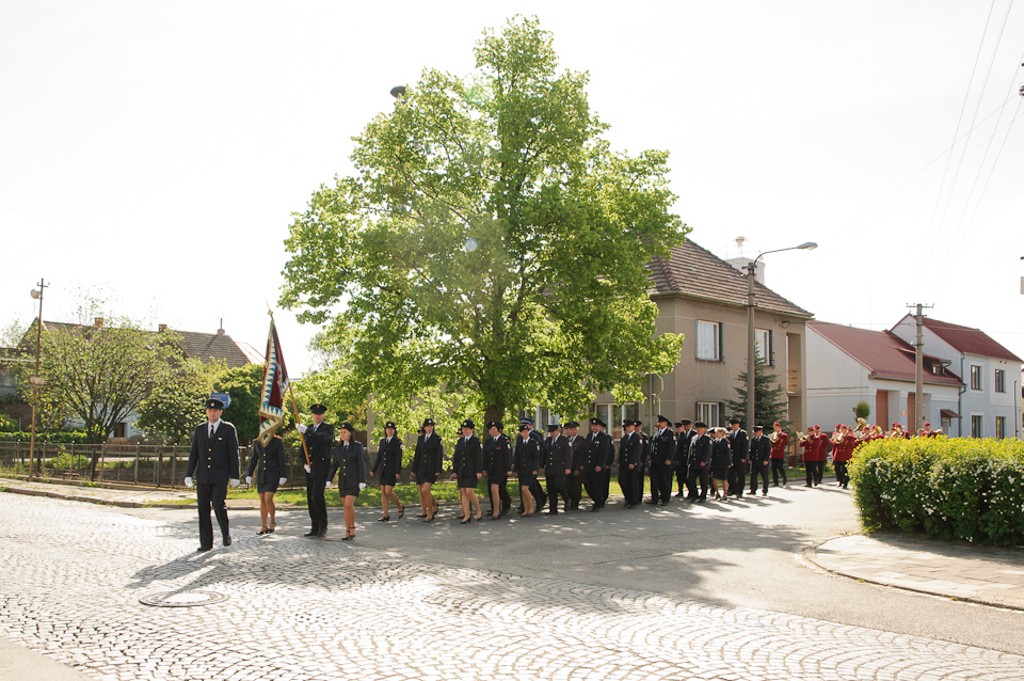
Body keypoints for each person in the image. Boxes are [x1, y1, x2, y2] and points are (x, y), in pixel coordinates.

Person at [185, 398, 240, 552]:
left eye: (215, 410)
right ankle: (206, 542)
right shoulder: (200, 429)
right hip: (203, 476)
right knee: (203, 509)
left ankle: (225, 533)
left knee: (218, 504)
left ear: (220, 412)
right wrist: (189, 474)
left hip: (220, 475)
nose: (212, 412)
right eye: (210, 410)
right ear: (206, 412)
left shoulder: (228, 429)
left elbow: (233, 453)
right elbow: (194, 453)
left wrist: (235, 475)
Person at [326, 422, 367, 541]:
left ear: (350, 433)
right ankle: (347, 529)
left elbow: (361, 463)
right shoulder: (338, 447)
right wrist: (329, 478)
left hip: (353, 480)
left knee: (349, 504)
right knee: (346, 506)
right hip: (343, 481)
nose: (342, 434)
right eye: (340, 432)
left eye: (344, 432)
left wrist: (362, 480)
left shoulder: (357, 446)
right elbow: (334, 465)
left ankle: (352, 528)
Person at [298, 404, 333, 537]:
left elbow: (323, 439)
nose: (317, 416)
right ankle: (314, 526)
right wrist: (304, 463)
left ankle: (322, 524)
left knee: (317, 495)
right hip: (310, 469)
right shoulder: (310, 429)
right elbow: (303, 450)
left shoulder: (327, 428)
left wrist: (307, 430)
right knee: (310, 498)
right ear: (312, 415)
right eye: (315, 414)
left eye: (319, 414)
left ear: (323, 415)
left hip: (321, 467)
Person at [245, 433, 286, 535]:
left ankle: (272, 521)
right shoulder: (257, 442)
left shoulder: (277, 442)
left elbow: (281, 459)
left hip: (273, 474)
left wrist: (283, 475)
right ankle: (264, 526)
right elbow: (254, 459)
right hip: (261, 475)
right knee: (262, 499)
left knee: (268, 499)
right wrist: (249, 474)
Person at [370, 421, 404, 522]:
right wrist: (374, 469)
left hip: (392, 470)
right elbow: (379, 457)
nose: (389, 431)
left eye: (391, 429)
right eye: (388, 429)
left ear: (394, 430)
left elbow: (398, 458)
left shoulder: (397, 442)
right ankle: (385, 515)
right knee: (383, 492)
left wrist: (397, 471)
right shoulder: (382, 441)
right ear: (385, 430)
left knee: (388, 491)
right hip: (383, 470)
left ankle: (400, 506)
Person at [411, 418, 444, 522]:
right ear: (424, 428)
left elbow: (439, 455)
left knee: (425, 490)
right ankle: (427, 508)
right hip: (421, 468)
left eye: (431, 426)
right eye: (427, 426)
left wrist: (438, 469)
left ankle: (430, 514)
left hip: (431, 469)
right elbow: (417, 455)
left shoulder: (436, 439)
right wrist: (414, 469)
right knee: (421, 491)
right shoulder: (421, 439)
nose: (429, 428)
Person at [451, 419, 484, 523]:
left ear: (472, 430)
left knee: (469, 491)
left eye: (467, 429)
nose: (464, 431)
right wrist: (454, 471)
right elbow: (457, 458)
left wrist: (479, 470)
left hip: (472, 470)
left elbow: (479, 457)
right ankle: (467, 514)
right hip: (462, 470)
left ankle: (478, 510)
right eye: (463, 429)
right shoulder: (460, 442)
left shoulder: (476, 442)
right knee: (463, 492)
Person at [483, 421, 512, 519]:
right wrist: (484, 469)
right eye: (491, 429)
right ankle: (494, 508)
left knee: (494, 488)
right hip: (491, 470)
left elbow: (507, 456)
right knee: (492, 490)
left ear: (499, 430)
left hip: (501, 470)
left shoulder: (504, 441)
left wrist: (508, 469)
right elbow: (485, 456)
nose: (492, 431)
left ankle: (496, 511)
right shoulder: (488, 442)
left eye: (494, 429)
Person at [519, 417, 548, 512]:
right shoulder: (520, 436)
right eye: (522, 424)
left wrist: (540, 464)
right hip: (523, 465)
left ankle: (539, 499)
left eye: (526, 425)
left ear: (531, 426)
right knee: (524, 484)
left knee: (531, 484)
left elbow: (541, 450)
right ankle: (524, 504)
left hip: (533, 465)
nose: (524, 427)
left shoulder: (536, 436)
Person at [512, 424, 541, 516]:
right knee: (522, 490)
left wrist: (535, 468)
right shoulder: (519, 444)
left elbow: (536, 457)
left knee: (525, 488)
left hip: (530, 469)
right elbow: (516, 457)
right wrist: (515, 469)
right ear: (520, 433)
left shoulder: (533, 442)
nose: (525, 433)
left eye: (526, 431)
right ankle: (526, 508)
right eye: (523, 432)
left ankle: (531, 507)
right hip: (522, 469)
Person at [585, 417, 613, 511]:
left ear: (600, 427)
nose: (594, 427)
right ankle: (598, 499)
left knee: (598, 485)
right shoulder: (589, 436)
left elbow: (604, 452)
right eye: (593, 426)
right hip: (589, 465)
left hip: (598, 466)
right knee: (587, 484)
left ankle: (597, 504)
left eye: (596, 426)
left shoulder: (604, 437)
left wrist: (600, 465)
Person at [543, 424, 571, 515]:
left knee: (558, 485)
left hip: (560, 467)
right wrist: (542, 465)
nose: (552, 434)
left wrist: (568, 467)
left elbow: (568, 455)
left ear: (558, 431)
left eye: (553, 432)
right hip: (550, 468)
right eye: (550, 432)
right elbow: (545, 454)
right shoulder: (548, 440)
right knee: (551, 489)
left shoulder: (564, 440)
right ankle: (553, 509)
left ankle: (567, 499)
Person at [648, 415, 676, 506]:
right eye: (658, 422)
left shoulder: (670, 433)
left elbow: (672, 448)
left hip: (664, 461)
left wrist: (669, 459)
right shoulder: (657, 433)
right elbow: (653, 447)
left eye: (661, 422)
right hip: (655, 460)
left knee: (664, 480)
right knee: (654, 481)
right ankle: (654, 499)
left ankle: (665, 499)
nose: (659, 424)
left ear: (665, 423)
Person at [617, 419, 641, 508]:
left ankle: (633, 501)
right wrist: (619, 462)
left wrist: (633, 462)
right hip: (624, 464)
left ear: (632, 427)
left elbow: (637, 451)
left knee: (633, 483)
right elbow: (622, 451)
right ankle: (628, 498)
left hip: (632, 464)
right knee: (622, 480)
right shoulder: (625, 438)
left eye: (628, 426)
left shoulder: (637, 437)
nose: (627, 428)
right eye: (626, 427)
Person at [564, 421, 588, 510]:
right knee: (568, 485)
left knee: (576, 486)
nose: (572, 431)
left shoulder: (581, 441)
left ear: (577, 430)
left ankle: (575, 503)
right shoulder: (567, 440)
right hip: (568, 467)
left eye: (574, 429)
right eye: (570, 429)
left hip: (576, 467)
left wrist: (579, 468)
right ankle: (569, 501)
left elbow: (582, 455)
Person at [686, 422, 711, 503]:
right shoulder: (694, 438)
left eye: (700, 429)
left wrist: (704, 460)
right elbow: (691, 450)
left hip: (702, 463)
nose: (698, 430)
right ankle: (694, 495)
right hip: (693, 463)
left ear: (704, 430)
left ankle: (703, 496)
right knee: (690, 479)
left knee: (703, 480)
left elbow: (708, 451)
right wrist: (689, 461)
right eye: (697, 429)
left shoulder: (707, 439)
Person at [727, 418, 749, 499]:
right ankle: (732, 489)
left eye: (733, 425)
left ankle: (739, 491)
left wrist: (744, 457)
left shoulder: (743, 433)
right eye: (731, 425)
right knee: (730, 475)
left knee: (740, 475)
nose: (732, 426)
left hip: (740, 458)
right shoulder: (731, 434)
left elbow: (745, 446)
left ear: (738, 425)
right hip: (733, 458)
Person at [710, 427, 732, 501]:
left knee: (723, 478)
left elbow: (728, 453)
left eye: (718, 432)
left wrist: (729, 462)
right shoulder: (714, 441)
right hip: (716, 462)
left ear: (722, 433)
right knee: (714, 478)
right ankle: (717, 493)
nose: (716, 434)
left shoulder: (726, 441)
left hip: (723, 463)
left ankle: (725, 494)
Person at [674, 420, 695, 497]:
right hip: (682, 459)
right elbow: (679, 447)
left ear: (690, 425)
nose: (685, 427)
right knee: (680, 476)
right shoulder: (681, 434)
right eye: (684, 426)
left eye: (686, 425)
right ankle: (680, 490)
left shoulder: (694, 434)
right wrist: (677, 459)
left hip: (689, 459)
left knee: (689, 477)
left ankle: (692, 492)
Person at [748, 425, 771, 496]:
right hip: (755, 460)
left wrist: (766, 459)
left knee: (764, 476)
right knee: (753, 475)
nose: (755, 433)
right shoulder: (754, 439)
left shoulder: (766, 439)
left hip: (763, 460)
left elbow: (768, 450)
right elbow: (751, 450)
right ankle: (753, 489)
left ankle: (765, 490)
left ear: (760, 431)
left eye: (756, 432)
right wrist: (750, 458)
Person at [769, 421, 789, 487]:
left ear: (780, 428)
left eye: (777, 427)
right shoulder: (772, 435)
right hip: (773, 453)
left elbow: (785, 443)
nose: (776, 429)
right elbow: (770, 443)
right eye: (775, 428)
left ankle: (784, 478)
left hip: (780, 453)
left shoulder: (784, 435)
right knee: (773, 468)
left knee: (780, 467)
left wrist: (779, 439)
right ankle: (776, 482)